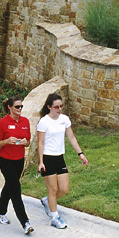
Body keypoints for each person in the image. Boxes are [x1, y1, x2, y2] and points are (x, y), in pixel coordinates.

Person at [37, 93, 88, 229]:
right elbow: (40, 143)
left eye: (61, 106)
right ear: (49, 107)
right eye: (56, 107)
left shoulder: (64, 119)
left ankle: (47, 201)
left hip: (59, 157)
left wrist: (80, 154)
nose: (59, 109)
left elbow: (71, 137)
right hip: (47, 158)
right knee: (53, 189)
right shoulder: (44, 122)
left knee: (64, 189)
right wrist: (40, 162)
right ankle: (54, 217)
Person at [0, 96, 33, 235]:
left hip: (19, 159)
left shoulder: (25, 121)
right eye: (17, 107)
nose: (20, 109)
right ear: (10, 107)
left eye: (21, 106)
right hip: (6, 160)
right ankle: (25, 223)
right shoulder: (2, 123)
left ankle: (0, 212)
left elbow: (28, 141)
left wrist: (25, 142)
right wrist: (7, 141)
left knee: (10, 185)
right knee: (15, 189)